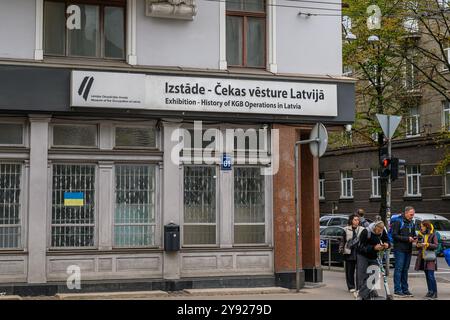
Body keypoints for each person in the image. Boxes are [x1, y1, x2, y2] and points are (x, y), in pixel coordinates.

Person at [356, 221, 390, 300]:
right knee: (363, 276)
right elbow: (361, 247)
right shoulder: (366, 231)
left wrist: (387, 244)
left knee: (375, 276)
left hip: (374, 256)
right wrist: (373, 248)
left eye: (380, 231)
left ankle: (361, 294)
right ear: (374, 227)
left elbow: (387, 240)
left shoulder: (382, 231)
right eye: (377, 231)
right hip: (362, 255)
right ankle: (366, 295)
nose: (378, 233)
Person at [392, 206, 417, 298]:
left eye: (413, 215)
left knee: (405, 270)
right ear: (406, 213)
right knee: (398, 269)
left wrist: (415, 238)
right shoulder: (398, 222)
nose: (412, 216)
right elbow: (394, 236)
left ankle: (405, 290)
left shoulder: (412, 223)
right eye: (411, 214)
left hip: (408, 249)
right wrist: (407, 239)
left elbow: (413, 234)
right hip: (399, 249)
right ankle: (397, 290)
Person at [340, 214, 364, 293]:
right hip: (349, 252)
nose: (357, 221)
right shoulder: (346, 229)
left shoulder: (362, 229)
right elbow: (343, 241)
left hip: (359, 252)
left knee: (359, 271)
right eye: (355, 220)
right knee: (349, 271)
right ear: (351, 221)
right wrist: (341, 250)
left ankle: (359, 287)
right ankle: (351, 286)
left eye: (358, 220)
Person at [415, 221, 439, 299]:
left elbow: (436, 245)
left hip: (430, 258)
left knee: (431, 275)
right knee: (427, 276)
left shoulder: (432, 234)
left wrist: (427, 244)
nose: (421, 227)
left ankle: (434, 293)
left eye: (422, 226)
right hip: (423, 257)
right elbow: (417, 246)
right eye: (421, 226)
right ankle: (430, 292)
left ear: (426, 226)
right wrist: (418, 245)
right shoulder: (420, 234)